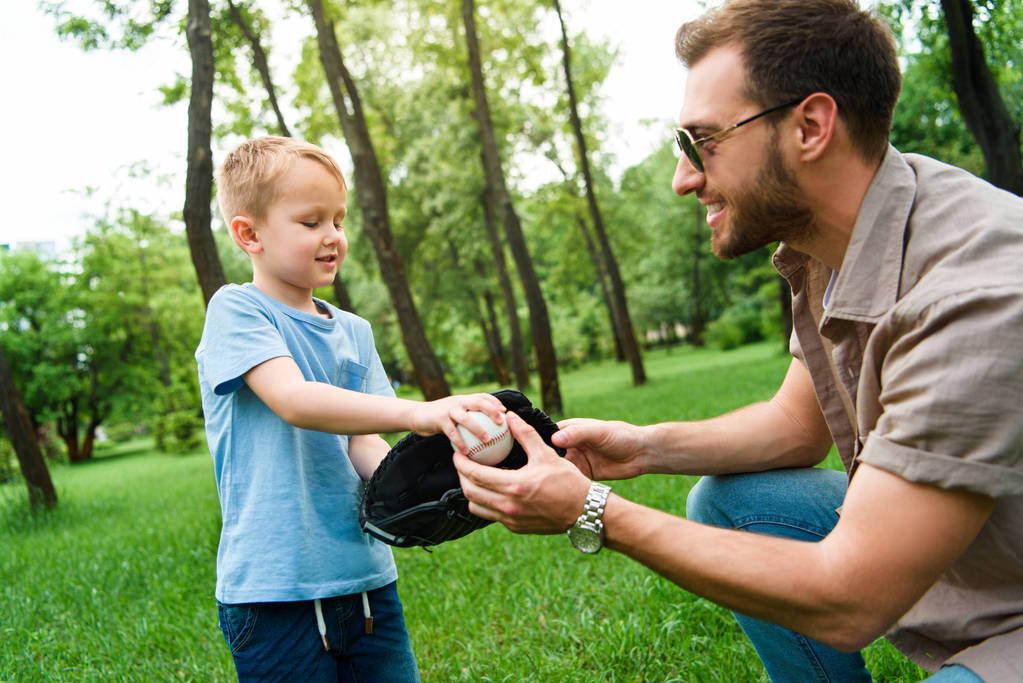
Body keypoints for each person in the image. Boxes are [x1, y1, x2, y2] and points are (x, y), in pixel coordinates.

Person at [453, 1, 1023, 681]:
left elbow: (850, 598)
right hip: (987, 553)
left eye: (703, 141)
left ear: (810, 126)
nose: (683, 177)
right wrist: (641, 447)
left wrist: (592, 510)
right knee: (732, 502)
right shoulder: (835, 238)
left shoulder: (975, 293)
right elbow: (795, 427)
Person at [195, 135, 506, 682]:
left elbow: (364, 440)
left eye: (338, 220)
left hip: (365, 582)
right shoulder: (237, 311)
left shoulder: (354, 332)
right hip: (273, 596)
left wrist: (421, 483)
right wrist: (419, 413)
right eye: (311, 221)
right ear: (249, 234)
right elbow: (293, 400)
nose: (333, 236)